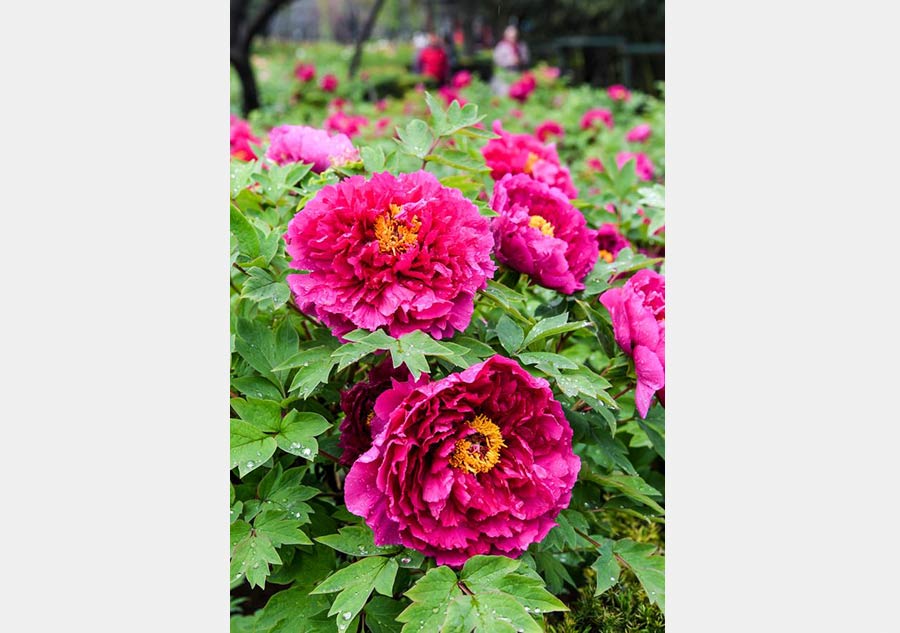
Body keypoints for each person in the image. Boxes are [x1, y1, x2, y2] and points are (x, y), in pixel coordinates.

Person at [491, 25, 530, 96]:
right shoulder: (501, 46)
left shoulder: (521, 45)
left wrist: (520, 60)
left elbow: (526, 58)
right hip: (505, 74)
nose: (513, 38)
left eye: (514, 36)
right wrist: (510, 61)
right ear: (506, 36)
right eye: (511, 37)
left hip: (517, 72)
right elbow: (497, 60)